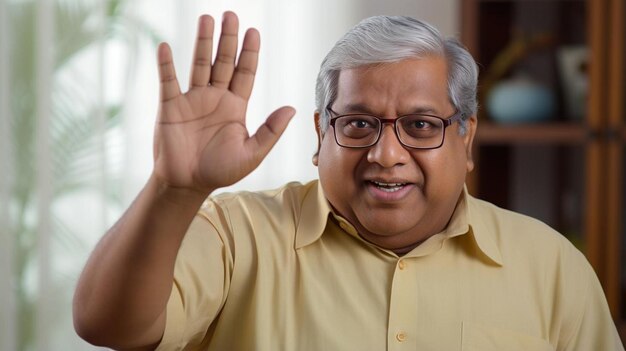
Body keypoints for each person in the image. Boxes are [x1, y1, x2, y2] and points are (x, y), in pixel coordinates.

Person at [72, 11, 624, 351]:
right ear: (321, 134)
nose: (386, 155)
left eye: (421, 126)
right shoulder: (236, 236)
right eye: (358, 124)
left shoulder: (551, 266)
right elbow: (107, 325)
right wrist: (176, 189)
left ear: (467, 137)